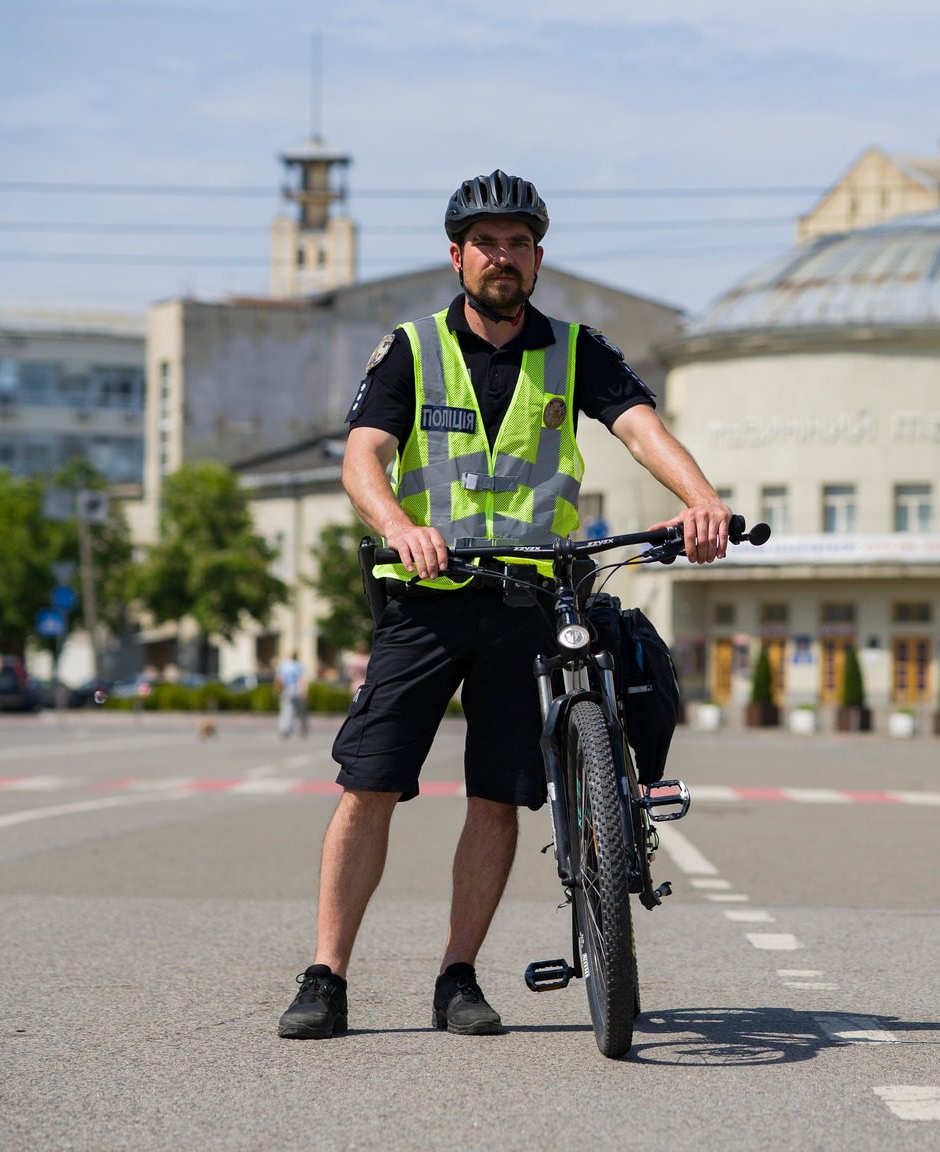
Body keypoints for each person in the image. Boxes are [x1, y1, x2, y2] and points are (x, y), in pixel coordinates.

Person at [279, 171, 736, 1040]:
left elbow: (641, 427)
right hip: (426, 598)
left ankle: (458, 976)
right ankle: (326, 976)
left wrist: (701, 498)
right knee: (369, 784)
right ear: (457, 256)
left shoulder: (576, 350)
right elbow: (362, 460)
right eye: (486, 243)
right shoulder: (412, 349)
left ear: (537, 258)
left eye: (519, 243)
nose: (503, 257)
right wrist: (399, 524)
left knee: (496, 796)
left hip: (530, 600)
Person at [274, 652, 309, 739]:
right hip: (296, 691)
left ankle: (285, 729)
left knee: (286, 711)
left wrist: (277, 690)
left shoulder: (283, 665)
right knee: (298, 712)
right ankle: (300, 730)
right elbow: (302, 679)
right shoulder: (298, 666)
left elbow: (279, 679)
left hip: (286, 690)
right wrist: (304, 691)